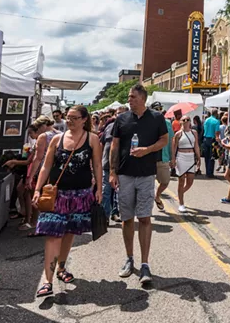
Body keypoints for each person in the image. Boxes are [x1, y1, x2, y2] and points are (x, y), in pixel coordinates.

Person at [32, 106, 102, 297]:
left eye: (74, 118)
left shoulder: (93, 139)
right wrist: (38, 189)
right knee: (53, 234)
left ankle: (61, 268)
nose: (69, 121)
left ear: (83, 119)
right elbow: (46, 166)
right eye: (68, 118)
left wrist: (99, 191)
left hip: (81, 194)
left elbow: (97, 165)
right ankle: (47, 281)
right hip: (57, 194)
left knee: (70, 232)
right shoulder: (56, 139)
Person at [110, 84, 169, 285]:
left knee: (144, 218)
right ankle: (129, 258)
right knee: (127, 219)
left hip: (146, 175)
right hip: (125, 174)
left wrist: (148, 150)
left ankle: (145, 264)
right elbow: (115, 146)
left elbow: (164, 140)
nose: (129, 99)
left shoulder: (156, 117)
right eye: (129, 97)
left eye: (133, 96)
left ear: (142, 98)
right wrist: (112, 171)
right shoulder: (121, 119)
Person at [171, 115, 201, 212]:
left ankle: (180, 193)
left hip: (191, 157)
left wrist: (199, 157)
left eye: (188, 119)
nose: (186, 121)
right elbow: (174, 147)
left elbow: (196, 145)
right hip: (181, 157)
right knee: (181, 181)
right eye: (184, 120)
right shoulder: (178, 134)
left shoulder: (194, 133)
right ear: (180, 122)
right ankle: (181, 203)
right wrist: (173, 159)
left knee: (190, 181)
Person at [151, 102, 175, 212]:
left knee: (165, 181)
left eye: (159, 109)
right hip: (148, 158)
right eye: (156, 109)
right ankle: (146, 208)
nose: (158, 111)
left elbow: (171, 141)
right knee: (147, 185)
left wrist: (172, 157)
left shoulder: (167, 123)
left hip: (163, 157)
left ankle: (157, 196)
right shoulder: (147, 123)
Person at [100, 112, 121, 222]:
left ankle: (115, 213)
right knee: (106, 191)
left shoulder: (128, 127)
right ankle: (105, 216)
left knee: (118, 192)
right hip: (107, 165)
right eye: (117, 114)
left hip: (121, 166)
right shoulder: (109, 127)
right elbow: (102, 144)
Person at [202, 109, 222, 178]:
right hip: (212, 139)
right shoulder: (217, 121)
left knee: (206, 156)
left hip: (205, 138)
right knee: (212, 156)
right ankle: (210, 173)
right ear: (216, 114)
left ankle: (207, 171)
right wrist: (218, 140)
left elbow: (204, 129)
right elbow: (217, 132)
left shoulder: (206, 120)